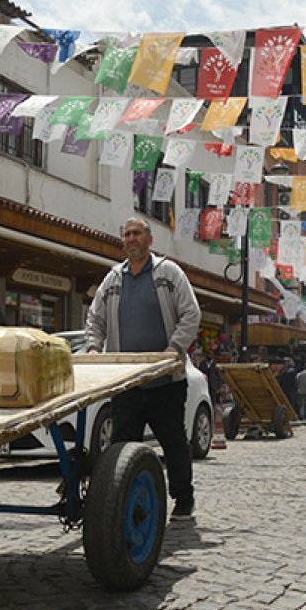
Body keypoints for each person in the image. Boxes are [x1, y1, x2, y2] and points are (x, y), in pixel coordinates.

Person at [85, 217, 201, 519]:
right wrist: (94, 349)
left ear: (150, 239)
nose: (131, 239)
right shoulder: (112, 279)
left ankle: (183, 498)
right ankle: (125, 501)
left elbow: (191, 314)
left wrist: (172, 350)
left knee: (174, 442)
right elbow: (94, 319)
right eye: (126, 235)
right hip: (126, 383)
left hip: (166, 381)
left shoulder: (169, 273)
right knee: (122, 448)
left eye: (137, 233)